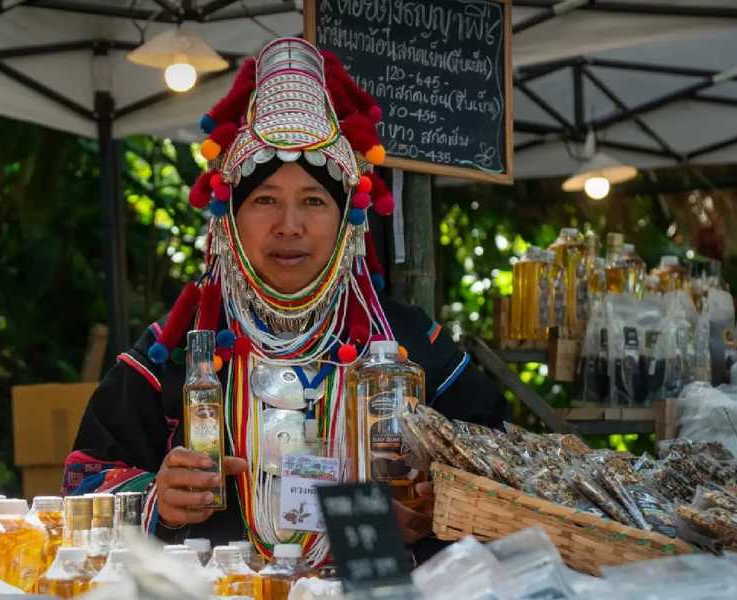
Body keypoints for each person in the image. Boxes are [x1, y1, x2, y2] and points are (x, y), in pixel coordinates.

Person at [67, 38, 505, 564]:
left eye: (314, 201)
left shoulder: (406, 344)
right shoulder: (179, 350)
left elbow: (502, 475)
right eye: (265, 200)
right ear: (229, 218)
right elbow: (80, 483)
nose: (289, 226)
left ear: (348, 220)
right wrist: (159, 498)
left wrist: (434, 506)